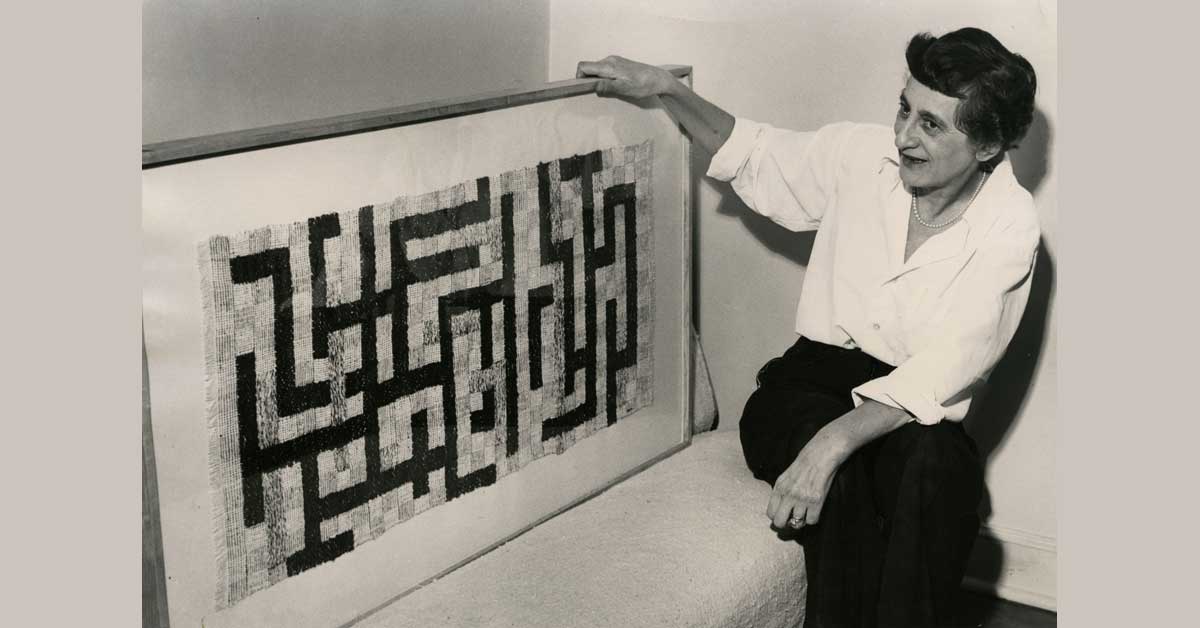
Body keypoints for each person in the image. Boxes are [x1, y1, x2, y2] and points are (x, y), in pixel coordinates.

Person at [578, 27, 1039, 628]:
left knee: (942, 472)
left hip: (905, 405)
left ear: (987, 145)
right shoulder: (858, 156)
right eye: (905, 108)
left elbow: (950, 364)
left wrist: (832, 442)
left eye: (932, 125)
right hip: (806, 386)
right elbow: (753, 152)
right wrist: (666, 89)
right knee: (843, 490)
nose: (903, 136)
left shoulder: (1011, 222)